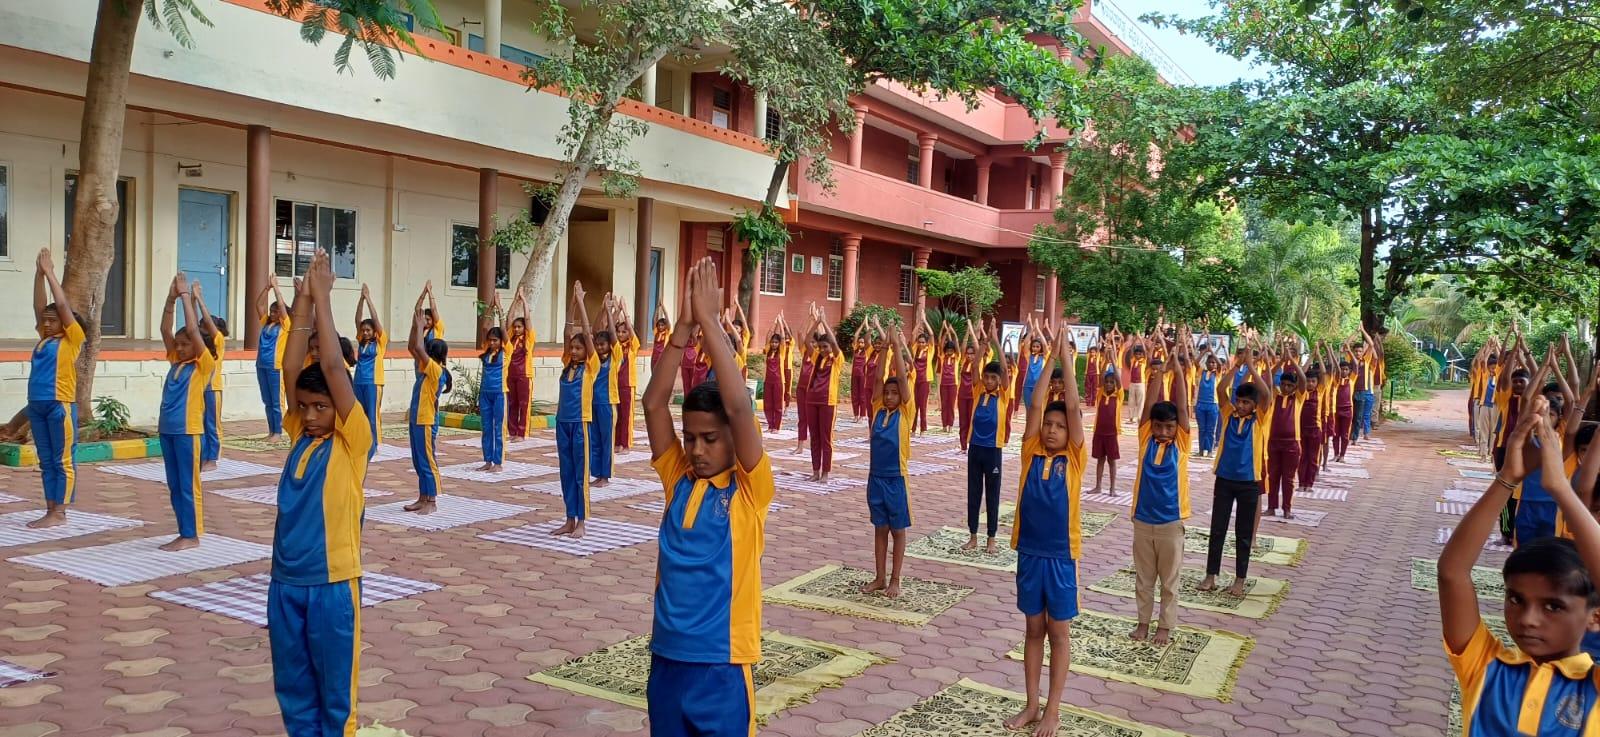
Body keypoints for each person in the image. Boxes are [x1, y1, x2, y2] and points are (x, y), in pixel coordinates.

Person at [639, 257, 773, 737]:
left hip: (723, 665)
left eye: (710, 439)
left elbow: (737, 406)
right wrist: (682, 331)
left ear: (735, 438)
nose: (696, 450)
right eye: (690, 438)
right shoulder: (678, 479)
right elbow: (653, 404)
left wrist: (712, 322)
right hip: (668, 657)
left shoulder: (749, 490)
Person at [1439, 394, 1600, 734]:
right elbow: (1452, 573)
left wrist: (1560, 488)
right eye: (1515, 599)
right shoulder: (1486, 669)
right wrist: (1507, 477)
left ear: (1594, 616)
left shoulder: (1592, 689)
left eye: (1553, 606)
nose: (1527, 619)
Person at [268, 251, 372, 737]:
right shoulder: (300, 433)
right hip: (285, 582)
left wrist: (325, 298)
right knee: (293, 691)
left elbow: (331, 365)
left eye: (321, 407)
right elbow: (291, 367)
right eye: (304, 407)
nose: (310, 416)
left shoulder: (352, 441)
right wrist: (303, 302)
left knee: (335, 699)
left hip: (332, 585)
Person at [1004, 322, 1084, 737]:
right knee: (1033, 630)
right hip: (1029, 552)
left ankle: (1053, 710)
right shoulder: (1031, 450)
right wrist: (1049, 355)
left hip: (1060, 556)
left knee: (1058, 632)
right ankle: (1032, 705)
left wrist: (1065, 358)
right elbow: (1035, 405)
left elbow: (1072, 405)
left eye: (1059, 426)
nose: (1051, 429)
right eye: (1048, 425)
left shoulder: (1075, 457)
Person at [1129, 331, 1190, 647]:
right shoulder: (1145, 440)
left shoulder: (1181, 443)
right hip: (1143, 520)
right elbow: (1148, 407)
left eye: (1169, 427)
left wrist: (1177, 369)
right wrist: (1159, 373)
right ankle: (1143, 622)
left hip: (1170, 522)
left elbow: (1183, 408)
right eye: (1159, 426)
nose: (1164, 431)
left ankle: (1165, 626)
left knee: (1169, 580)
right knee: (1143, 578)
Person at [1200, 354, 1273, 596]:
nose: (1241, 406)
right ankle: (1211, 575)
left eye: (1246, 403)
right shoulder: (1228, 414)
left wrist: (1252, 366)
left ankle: (1240, 580)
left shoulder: (1259, 419)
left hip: (1249, 483)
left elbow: (1267, 394)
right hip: (1224, 479)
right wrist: (1237, 366)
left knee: (1243, 533)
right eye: (1239, 401)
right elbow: (1221, 389)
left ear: (1254, 405)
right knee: (1217, 529)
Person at [159, 273, 218, 551]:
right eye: (178, 345)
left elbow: (194, 330)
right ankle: (183, 529)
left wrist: (185, 296)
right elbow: (165, 330)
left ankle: (191, 534)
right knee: (174, 484)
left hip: (188, 432)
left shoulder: (203, 366)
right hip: (168, 431)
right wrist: (170, 299)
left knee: (187, 484)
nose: (180, 348)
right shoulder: (176, 362)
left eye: (186, 344)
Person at [26, 248, 84, 529]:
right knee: (46, 459)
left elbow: (61, 305)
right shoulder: (44, 339)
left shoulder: (72, 339)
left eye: (53, 320)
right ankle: (50, 507)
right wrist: (38, 275)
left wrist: (50, 273)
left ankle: (59, 511)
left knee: (62, 460)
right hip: (37, 406)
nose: (47, 324)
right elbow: (40, 307)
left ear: (65, 322)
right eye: (45, 321)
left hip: (59, 405)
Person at [864, 316, 914, 599]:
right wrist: (883, 348)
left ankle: (895, 579)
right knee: (880, 528)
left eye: (895, 393)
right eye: (887, 393)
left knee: (898, 530)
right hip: (876, 478)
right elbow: (877, 378)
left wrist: (896, 345)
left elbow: (902, 380)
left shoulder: (905, 413)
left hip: (896, 479)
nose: (891, 396)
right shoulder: (877, 410)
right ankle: (880, 577)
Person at [964, 316, 1011, 554]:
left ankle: (991, 538)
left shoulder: (1002, 395)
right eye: (987, 377)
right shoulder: (978, 391)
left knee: (992, 495)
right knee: (974, 493)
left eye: (994, 378)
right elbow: (974, 367)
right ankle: (973, 536)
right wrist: (984, 343)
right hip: (975, 448)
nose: (990, 380)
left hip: (993, 450)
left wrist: (996, 342)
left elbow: (1004, 369)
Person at [555, 283, 599, 538]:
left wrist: (581, 303)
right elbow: (567, 331)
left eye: (578, 348)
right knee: (566, 472)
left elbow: (587, 334)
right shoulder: (566, 364)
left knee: (581, 474)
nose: (573, 351)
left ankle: (581, 521)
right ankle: (569, 518)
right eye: (572, 348)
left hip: (580, 423)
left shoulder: (591, 366)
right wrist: (571, 304)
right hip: (562, 423)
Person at [403, 282, 449, 516]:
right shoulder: (425, 369)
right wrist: (416, 326)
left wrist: (421, 326)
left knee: (428, 459)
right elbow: (413, 346)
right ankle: (422, 496)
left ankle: (432, 499)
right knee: (418, 459)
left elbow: (419, 350)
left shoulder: (436, 370)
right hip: (416, 419)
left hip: (426, 421)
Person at [806, 306, 845, 483]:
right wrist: (817, 322)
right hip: (811, 400)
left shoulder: (836, 360)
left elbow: (835, 344)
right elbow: (807, 340)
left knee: (826, 438)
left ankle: (826, 472)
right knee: (814, 437)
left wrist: (825, 322)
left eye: (825, 347)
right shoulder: (817, 358)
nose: (822, 350)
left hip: (828, 402)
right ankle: (815, 471)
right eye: (820, 347)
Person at [1265, 363, 1306, 519]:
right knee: (1273, 476)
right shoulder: (1275, 395)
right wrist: (1282, 360)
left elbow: (1302, 379)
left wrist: (1292, 362)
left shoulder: (1298, 398)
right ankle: (1271, 507)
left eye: (1289, 385)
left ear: (1294, 387)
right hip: (1273, 442)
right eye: (1283, 384)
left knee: (1288, 479)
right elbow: (1268, 378)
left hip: (1292, 443)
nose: (1285, 387)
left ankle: (1287, 509)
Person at [193, 286, 227, 472]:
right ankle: (204, 455)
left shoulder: (218, 340)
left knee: (212, 424)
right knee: (201, 423)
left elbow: (206, 320)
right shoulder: (200, 343)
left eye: (204, 324)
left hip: (213, 388)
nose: (201, 327)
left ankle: (213, 458)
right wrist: (190, 300)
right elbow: (191, 325)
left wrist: (199, 299)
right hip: (200, 387)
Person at [590, 296, 621, 489]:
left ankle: (606, 476)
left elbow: (612, 334)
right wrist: (601, 310)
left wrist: (610, 312)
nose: (600, 347)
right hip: (592, 403)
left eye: (603, 344)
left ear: (610, 345)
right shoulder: (594, 358)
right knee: (594, 440)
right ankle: (597, 474)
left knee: (606, 440)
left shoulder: (615, 357)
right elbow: (593, 331)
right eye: (598, 344)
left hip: (608, 404)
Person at [353, 284, 387, 458]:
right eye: (363, 330)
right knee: (360, 414)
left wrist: (369, 299)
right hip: (358, 381)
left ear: (374, 332)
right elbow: (357, 319)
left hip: (373, 382)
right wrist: (361, 299)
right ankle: (363, 441)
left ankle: (374, 444)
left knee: (372, 415)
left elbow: (376, 319)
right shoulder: (361, 341)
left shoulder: (380, 342)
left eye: (368, 330)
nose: (365, 332)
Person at [255, 281, 291, 443]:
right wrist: (266, 288)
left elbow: (282, 307)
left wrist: (276, 288)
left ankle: (278, 431)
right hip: (261, 365)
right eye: (272, 311)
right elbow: (258, 305)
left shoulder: (285, 325)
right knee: (267, 401)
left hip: (276, 367)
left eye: (276, 311)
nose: (273, 313)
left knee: (277, 401)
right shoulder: (266, 323)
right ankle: (271, 431)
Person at [477, 294, 508, 473]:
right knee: (486, 428)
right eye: (490, 340)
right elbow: (485, 327)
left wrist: (500, 309)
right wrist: (491, 307)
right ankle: (488, 460)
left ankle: (498, 462)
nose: (492, 342)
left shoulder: (506, 351)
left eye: (495, 340)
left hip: (499, 393)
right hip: (485, 394)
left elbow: (503, 330)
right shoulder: (486, 351)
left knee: (498, 428)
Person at [1089, 359, 1126, 495]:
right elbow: (1101, 376)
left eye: (1112, 382)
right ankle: (1098, 486)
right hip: (1099, 432)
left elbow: (1118, 379)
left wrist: (1113, 362)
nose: (1109, 384)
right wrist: (1106, 360)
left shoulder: (1119, 395)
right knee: (1100, 460)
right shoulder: (1100, 394)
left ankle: (1112, 488)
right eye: (1107, 382)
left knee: (1112, 461)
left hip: (1112, 433)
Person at [505, 288, 536, 440]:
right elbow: (509, 318)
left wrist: (523, 300)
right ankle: (512, 432)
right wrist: (515, 300)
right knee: (512, 403)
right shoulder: (511, 338)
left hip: (525, 375)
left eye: (519, 327)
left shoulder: (529, 338)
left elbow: (528, 319)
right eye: (515, 327)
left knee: (524, 404)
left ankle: (522, 433)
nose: (516, 329)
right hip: (511, 375)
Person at [614, 300, 642, 452]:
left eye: (624, 332)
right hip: (614, 385)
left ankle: (625, 444)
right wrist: (616, 311)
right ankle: (617, 442)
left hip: (627, 385)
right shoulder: (615, 346)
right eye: (619, 331)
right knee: (616, 415)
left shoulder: (633, 346)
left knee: (626, 416)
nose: (620, 334)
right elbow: (610, 330)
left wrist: (625, 313)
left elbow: (631, 331)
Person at [762, 315, 790, 433]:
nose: (774, 344)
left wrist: (780, 323)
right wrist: (774, 323)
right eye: (773, 342)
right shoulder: (768, 350)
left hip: (779, 381)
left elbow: (783, 337)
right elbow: (768, 335)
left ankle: (777, 427)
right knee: (768, 404)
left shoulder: (782, 351)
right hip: (767, 381)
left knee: (778, 405)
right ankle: (770, 425)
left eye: (776, 342)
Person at [912, 312, 936, 436]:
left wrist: (925, 321)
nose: (921, 344)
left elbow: (931, 335)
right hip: (914, 380)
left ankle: (923, 429)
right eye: (919, 342)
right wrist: (919, 323)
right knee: (914, 405)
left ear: (926, 343)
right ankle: (913, 428)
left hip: (925, 380)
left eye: (923, 342)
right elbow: (913, 334)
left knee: (922, 405)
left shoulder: (930, 351)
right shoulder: (915, 349)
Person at [1195, 354, 1222, 458]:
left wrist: (1212, 352)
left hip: (1213, 405)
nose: (1212, 364)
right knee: (1202, 429)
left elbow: (1220, 364)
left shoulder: (1217, 374)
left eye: (1214, 363)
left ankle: (1209, 450)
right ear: (1206, 363)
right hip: (1201, 404)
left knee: (1210, 430)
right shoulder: (1202, 372)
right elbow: (1196, 362)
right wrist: (1206, 351)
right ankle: (1201, 450)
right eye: (1210, 362)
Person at [938, 322, 961, 434]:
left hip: (953, 384)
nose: (949, 352)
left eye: (951, 350)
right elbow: (941, 344)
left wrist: (953, 333)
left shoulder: (956, 357)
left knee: (951, 405)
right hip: (943, 384)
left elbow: (957, 345)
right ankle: (944, 425)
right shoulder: (942, 357)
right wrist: (946, 331)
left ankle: (950, 425)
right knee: (944, 405)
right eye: (947, 350)